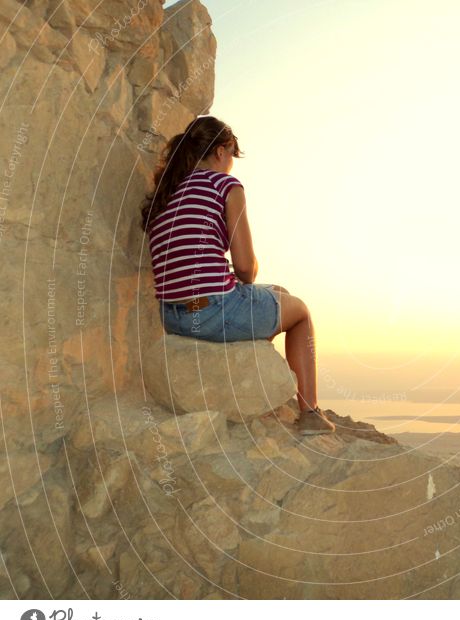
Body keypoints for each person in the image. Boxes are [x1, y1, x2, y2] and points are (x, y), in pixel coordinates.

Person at [139, 115, 335, 435]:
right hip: (213, 310)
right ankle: (310, 413)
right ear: (221, 151)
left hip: (172, 315)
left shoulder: (167, 192)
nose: (231, 163)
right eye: (232, 154)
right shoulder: (226, 185)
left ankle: (256, 384)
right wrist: (249, 270)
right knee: (299, 312)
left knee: (278, 293)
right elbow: (244, 268)